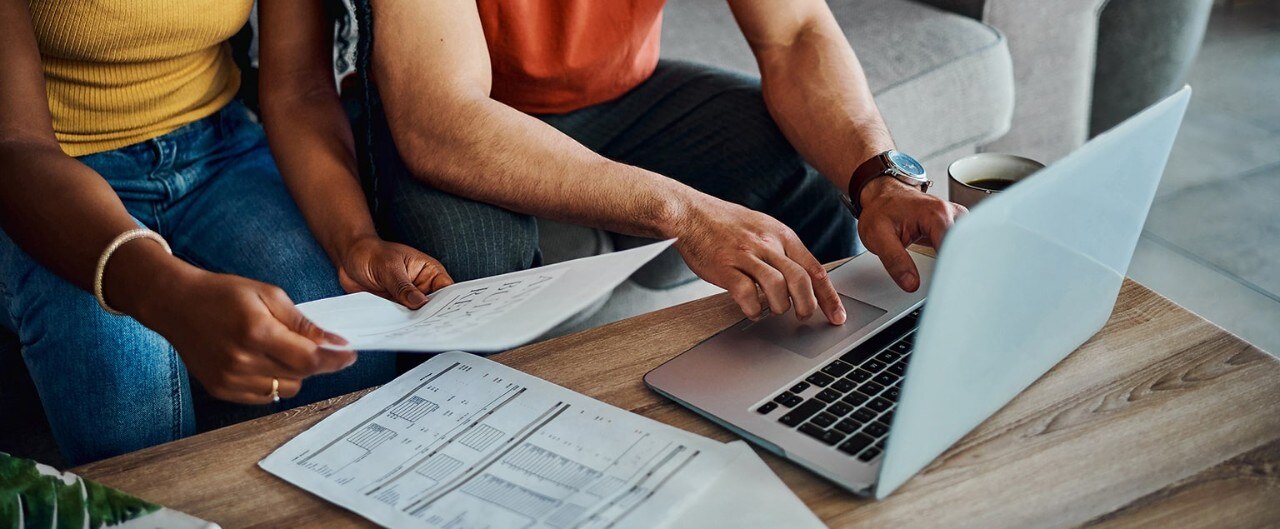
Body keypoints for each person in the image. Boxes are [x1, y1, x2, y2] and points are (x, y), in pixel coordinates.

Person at [261, 0, 967, 328]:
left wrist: (880, 176)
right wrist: (682, 211)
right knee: (468, 273)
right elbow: (441, 118)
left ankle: (809, 404)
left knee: (810, 177)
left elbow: (795, 32)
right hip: (456, 116)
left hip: (622, 97)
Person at [0, 0, 450, 465]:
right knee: (126, 374)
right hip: (46, 173)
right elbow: (14, 146)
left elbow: (299, 88)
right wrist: (168, 294)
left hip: (217, 147)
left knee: (338, 337)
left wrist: (355, 240)